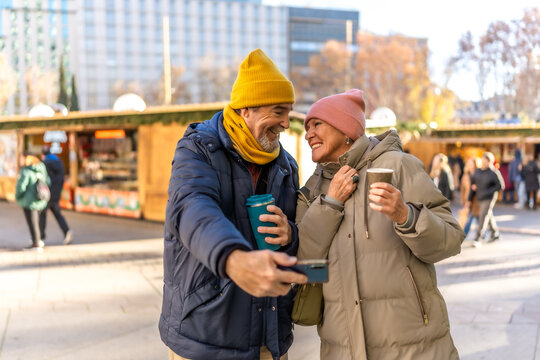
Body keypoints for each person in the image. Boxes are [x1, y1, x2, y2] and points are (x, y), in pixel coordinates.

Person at [159, 49, 307, 360]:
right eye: (278, 111)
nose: (285, 123)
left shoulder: (286, 166)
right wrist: (233, 258)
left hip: (268, 338)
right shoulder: (198, 148)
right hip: (204, 336)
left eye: (289, 112)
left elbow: (296, 242)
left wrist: (290, 234)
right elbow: (192, 208)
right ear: (246, 110)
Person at [296, 89, 464, 360]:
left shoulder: (398, 167)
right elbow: (305, 265)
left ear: (345, 129)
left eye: (317, 124)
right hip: (342, 349)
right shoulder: (313, 188)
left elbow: (451, 240)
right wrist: (330, 204)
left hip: (413, 348)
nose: (308, 134)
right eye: (306, 127)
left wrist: (405, 216)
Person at [467, 152, 504, 247]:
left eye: (485, 161)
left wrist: (488, 191)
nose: (483, 162)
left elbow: (500, 185)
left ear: (489, 162)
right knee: (488, 214)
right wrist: (469, 199)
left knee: (483, 216)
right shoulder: (478, 171)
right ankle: (495, 234)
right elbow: (473, 185)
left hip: (489, 198)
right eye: (482, 160)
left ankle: (478, 237)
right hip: (479, 197)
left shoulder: (494, 172)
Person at [15, 152, 50, 252]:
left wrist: (17, 197)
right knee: (38, 222)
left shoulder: (25, 171)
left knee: (32, 223)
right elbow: (48, 181)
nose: (20, 160)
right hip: (41, 199)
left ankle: (36, 243)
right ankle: (39, 240)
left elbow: (21, 187)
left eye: (22, 158)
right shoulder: (41, 167)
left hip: (29, 201)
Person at [39, 146, 73, 245]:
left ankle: (40, 237)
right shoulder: (59, 162)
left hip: (47, 194)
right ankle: (67, 231)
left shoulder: (44, 164)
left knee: (42, 214)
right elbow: (62, 179)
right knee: (57, 214)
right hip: (56, 194)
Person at [460, 157, 480, 237]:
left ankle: (464, 235)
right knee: (472, 218)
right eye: (468, 163)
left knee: (472, 218)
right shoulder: (465, 176)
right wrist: (463, 200)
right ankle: (483, 234)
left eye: (471, 163)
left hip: (477, 201)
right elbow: (462, 189)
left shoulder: (478, 174)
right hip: (467, 201)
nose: (469, 165)